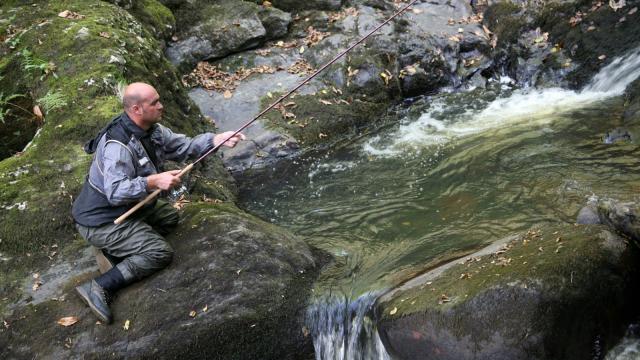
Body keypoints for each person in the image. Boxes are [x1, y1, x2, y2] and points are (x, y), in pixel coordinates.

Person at [71, 82, 245, 324]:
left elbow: (184, 147)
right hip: (102, 221)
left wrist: (216, 139)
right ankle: (99, 286)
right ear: (136, 109)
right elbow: (115, 191)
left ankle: (114, 252)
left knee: (169, 218)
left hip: (129, 209)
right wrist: (152, 181)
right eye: (154, 103)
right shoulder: (117, 147)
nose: (161, 106)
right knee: (158, 252)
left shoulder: (152, 130)